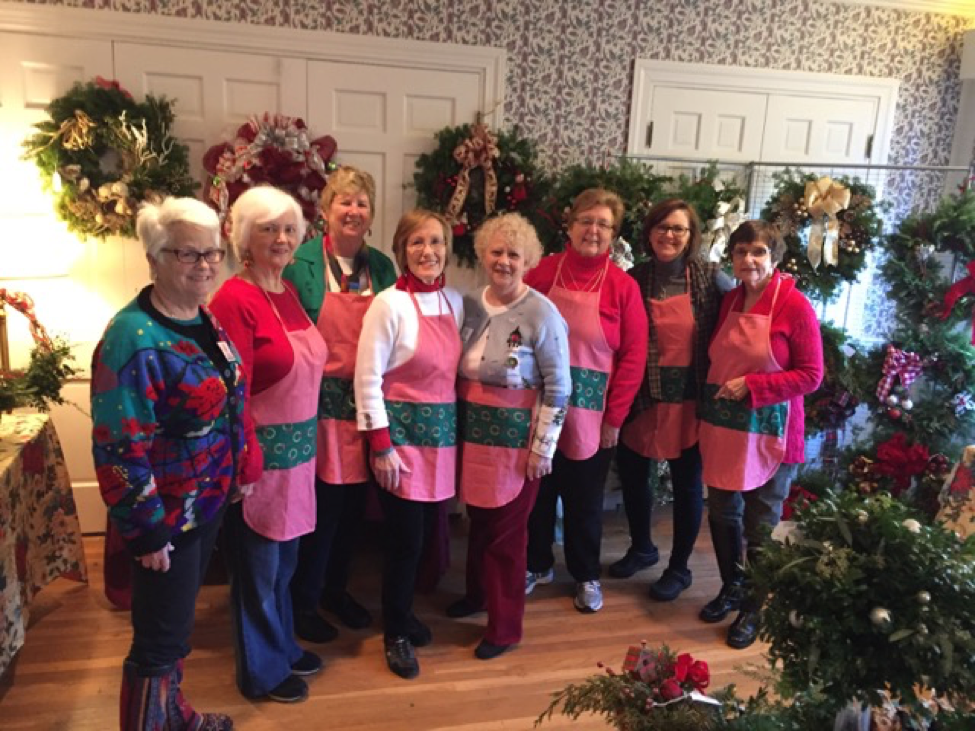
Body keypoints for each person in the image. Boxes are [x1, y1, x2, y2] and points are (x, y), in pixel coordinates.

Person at [91, 197, 254, 731]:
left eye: (213, 253)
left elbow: (228, 401)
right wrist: (146, 533)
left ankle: (172, 715)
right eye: (189, 254)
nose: (205, 265)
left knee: (176, 628)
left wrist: (234, 475)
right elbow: (118, 446)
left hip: (203, 504)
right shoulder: (131, 337)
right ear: (155, 256)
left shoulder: (201, 318)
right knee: (158, 637)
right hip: (165, 518)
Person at [209, 187, 328, 702]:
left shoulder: (285, 291)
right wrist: (244, 461)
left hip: (298, 456)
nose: (280, 239)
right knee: (258, 571)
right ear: (243, 239)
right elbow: (232, 390)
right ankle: (261, 670)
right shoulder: (235, 299)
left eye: (287, 229)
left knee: (284, 566)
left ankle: (281, 644)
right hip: (259, 457)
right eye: (267, 229)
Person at [448, 213, 571, 659]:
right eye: (496, 252)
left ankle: (504, 626)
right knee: (478, 525)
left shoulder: (542, 313)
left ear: (529, 260)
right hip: (472, 437)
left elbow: (559, 386)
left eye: (513, 254)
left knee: (506, 536)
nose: (503, 261)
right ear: (483, 255)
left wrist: (543, 448)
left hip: (517, 443)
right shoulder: (469, 304)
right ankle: (476, 595)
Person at [284, 166, 397, 643]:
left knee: (354, 509)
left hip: (368, 405)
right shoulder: (301, 264)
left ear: (371, 214)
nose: (353, 211)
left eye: (362, 203)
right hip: (319, 406)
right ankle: (304, 601)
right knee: (322, 511)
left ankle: (336, 589)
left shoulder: (384, 267)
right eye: (344, 202)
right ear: (326, 211)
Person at [697, 220, 823, 649]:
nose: (748, 260)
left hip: (773, 431)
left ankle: (753, 605)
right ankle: (731, 585)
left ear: (775, 256)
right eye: (741, 252)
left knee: (761, 523)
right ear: (731, 257)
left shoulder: (795, 306)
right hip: (724, 427)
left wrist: (754, 386)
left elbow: (811, 375)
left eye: (759, 252)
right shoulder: (730, 299)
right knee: (721, 512)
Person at [524, 188, 649, 613]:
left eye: (603, 224)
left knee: (584, 501)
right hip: (538, 405)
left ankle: (585, 574)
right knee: (537, 492)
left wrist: (614, 418)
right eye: (586, 221)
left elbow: (633, 356)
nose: (592, 231)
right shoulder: (541, 273)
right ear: (570, 225)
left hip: (590, 413)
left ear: (613, 234)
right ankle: (536, 563)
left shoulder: (623, 287)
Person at [354, 209, 463, 679]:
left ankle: (404, 614)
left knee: (423, 539)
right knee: (404, 542)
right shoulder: (388, 304)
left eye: (436, 242)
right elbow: (367, 378)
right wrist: (381, 445)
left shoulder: (456, 303)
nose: (428, 252)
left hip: (439, 441)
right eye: (417, 242)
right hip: (399, 442)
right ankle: (395, 631)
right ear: (402, 250)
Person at [612, 199, 732, 602]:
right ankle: (642, 547)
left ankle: (679, 568)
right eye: (662, 227)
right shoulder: (633, 278)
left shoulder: (712, 278)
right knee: (634, 477)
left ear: (691, 235)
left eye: (678, 229)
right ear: (649, 232)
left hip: (691, 398)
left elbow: (745, 309)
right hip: (642, 395)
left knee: (686, 485)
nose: (669, 235)